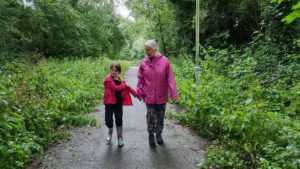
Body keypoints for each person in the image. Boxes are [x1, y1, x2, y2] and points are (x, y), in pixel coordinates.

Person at [137, 39, 178, 147]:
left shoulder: (165, 61)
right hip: (149, 95)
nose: (146, 51)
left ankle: (158, 134)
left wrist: (174, 94)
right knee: (151, 116)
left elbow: (170, 79)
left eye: (148, 49)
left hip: (161, 95)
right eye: (145, 49)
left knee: (160, 116)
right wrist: (140, 91)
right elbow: (140, 79)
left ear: (155, 49)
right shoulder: (143, 62)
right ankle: (151, 134)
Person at [103, 63, 139, 147]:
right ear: (110, 70)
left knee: (119, 120)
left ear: (119, 72)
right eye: (112, 70)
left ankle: (120, 138)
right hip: (109, 103)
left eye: (116, 71)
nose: (113, 72)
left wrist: (137, 95)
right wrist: (124, 85)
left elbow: (129, 88)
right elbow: (115, 88)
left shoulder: (121, 80)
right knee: (108, 120)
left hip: (118, 103)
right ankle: (110, 131)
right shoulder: (108, 80)